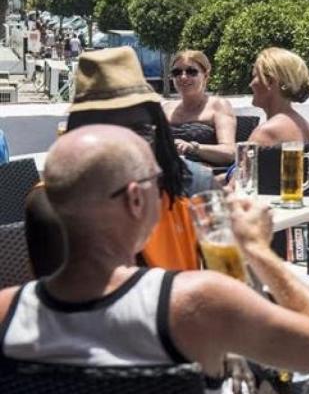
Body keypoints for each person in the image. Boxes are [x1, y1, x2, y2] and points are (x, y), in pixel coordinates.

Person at [0, 125, 309, 394]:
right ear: (136, 200)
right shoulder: (194, 302)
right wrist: (257, 249)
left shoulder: (6, 314)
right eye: (158, 180)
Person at [25, 46, 203, 275]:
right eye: (106, 132)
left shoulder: (188, 187)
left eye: (139, 131)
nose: (124, 145)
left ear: (159, 132)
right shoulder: (53, 205)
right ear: (79, 135)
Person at [163, 50, 238, 166]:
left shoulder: (218, 106)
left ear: (206, 76)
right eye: (177, 72)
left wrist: (193, 148)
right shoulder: (166, 109)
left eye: (191, 72)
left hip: (205, 172)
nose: (183, 77)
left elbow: (229, 152)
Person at [247, 47, 309, 146]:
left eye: (255, 76)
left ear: (270, 82)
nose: (251, 84)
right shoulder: (304, 126)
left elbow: (246, 157)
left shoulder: (266, 132)